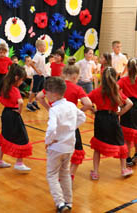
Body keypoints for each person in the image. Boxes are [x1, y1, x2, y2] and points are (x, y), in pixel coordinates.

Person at [36, 64, 92, 180]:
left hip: (56, 123)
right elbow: (88, 104)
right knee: (78, 151)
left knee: (57, 149)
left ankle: (59, 174)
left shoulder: (56, 86)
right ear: (75, 76)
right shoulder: (77, 88)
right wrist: (77, 112)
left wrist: (49, 108)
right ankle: (69, 174)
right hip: (70, 125)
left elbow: (39, 96)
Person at [44, 77, 86, 213]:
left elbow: (51, 129)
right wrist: (70, 129)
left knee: (52, 174)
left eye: (47, 92)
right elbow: (82, 117)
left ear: (54, 94)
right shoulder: (71, 105)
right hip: (69, 146)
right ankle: (68, 202)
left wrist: (48, 141)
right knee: (65, 173)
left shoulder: (54, 110)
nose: (45, 94)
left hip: (56, 147)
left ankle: (60, 203)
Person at [88, 67, 133, 179]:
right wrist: (120, 113)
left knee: (98, 146)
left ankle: (96, 172)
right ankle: (123, 169)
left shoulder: (96, 91)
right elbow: (130, 103)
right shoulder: (115, 92)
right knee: (120, 143)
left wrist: (94, 111)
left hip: (100, 119)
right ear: (115, 78)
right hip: (112, 118)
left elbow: (87, 102)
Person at [0, 64, 32, 172]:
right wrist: (20, 111)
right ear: (17, 78)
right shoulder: (14, 89)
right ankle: (19, 163)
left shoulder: (5, 84)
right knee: (22, 137)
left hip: (5, 113)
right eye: (21, 80)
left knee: (4, 135)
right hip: (13, 114)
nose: (22, 82)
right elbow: (21, 102)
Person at [26, 40, 46, 112]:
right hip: (37, 76)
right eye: (43, 46)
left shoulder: (42, 55)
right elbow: (31, 63)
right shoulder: (37, 55)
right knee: (34, 90)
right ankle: (29, 103)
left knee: (40, 90)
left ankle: (35, 102)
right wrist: (37, 71)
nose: (45, 47)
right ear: (39, 47)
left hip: (42, 75)